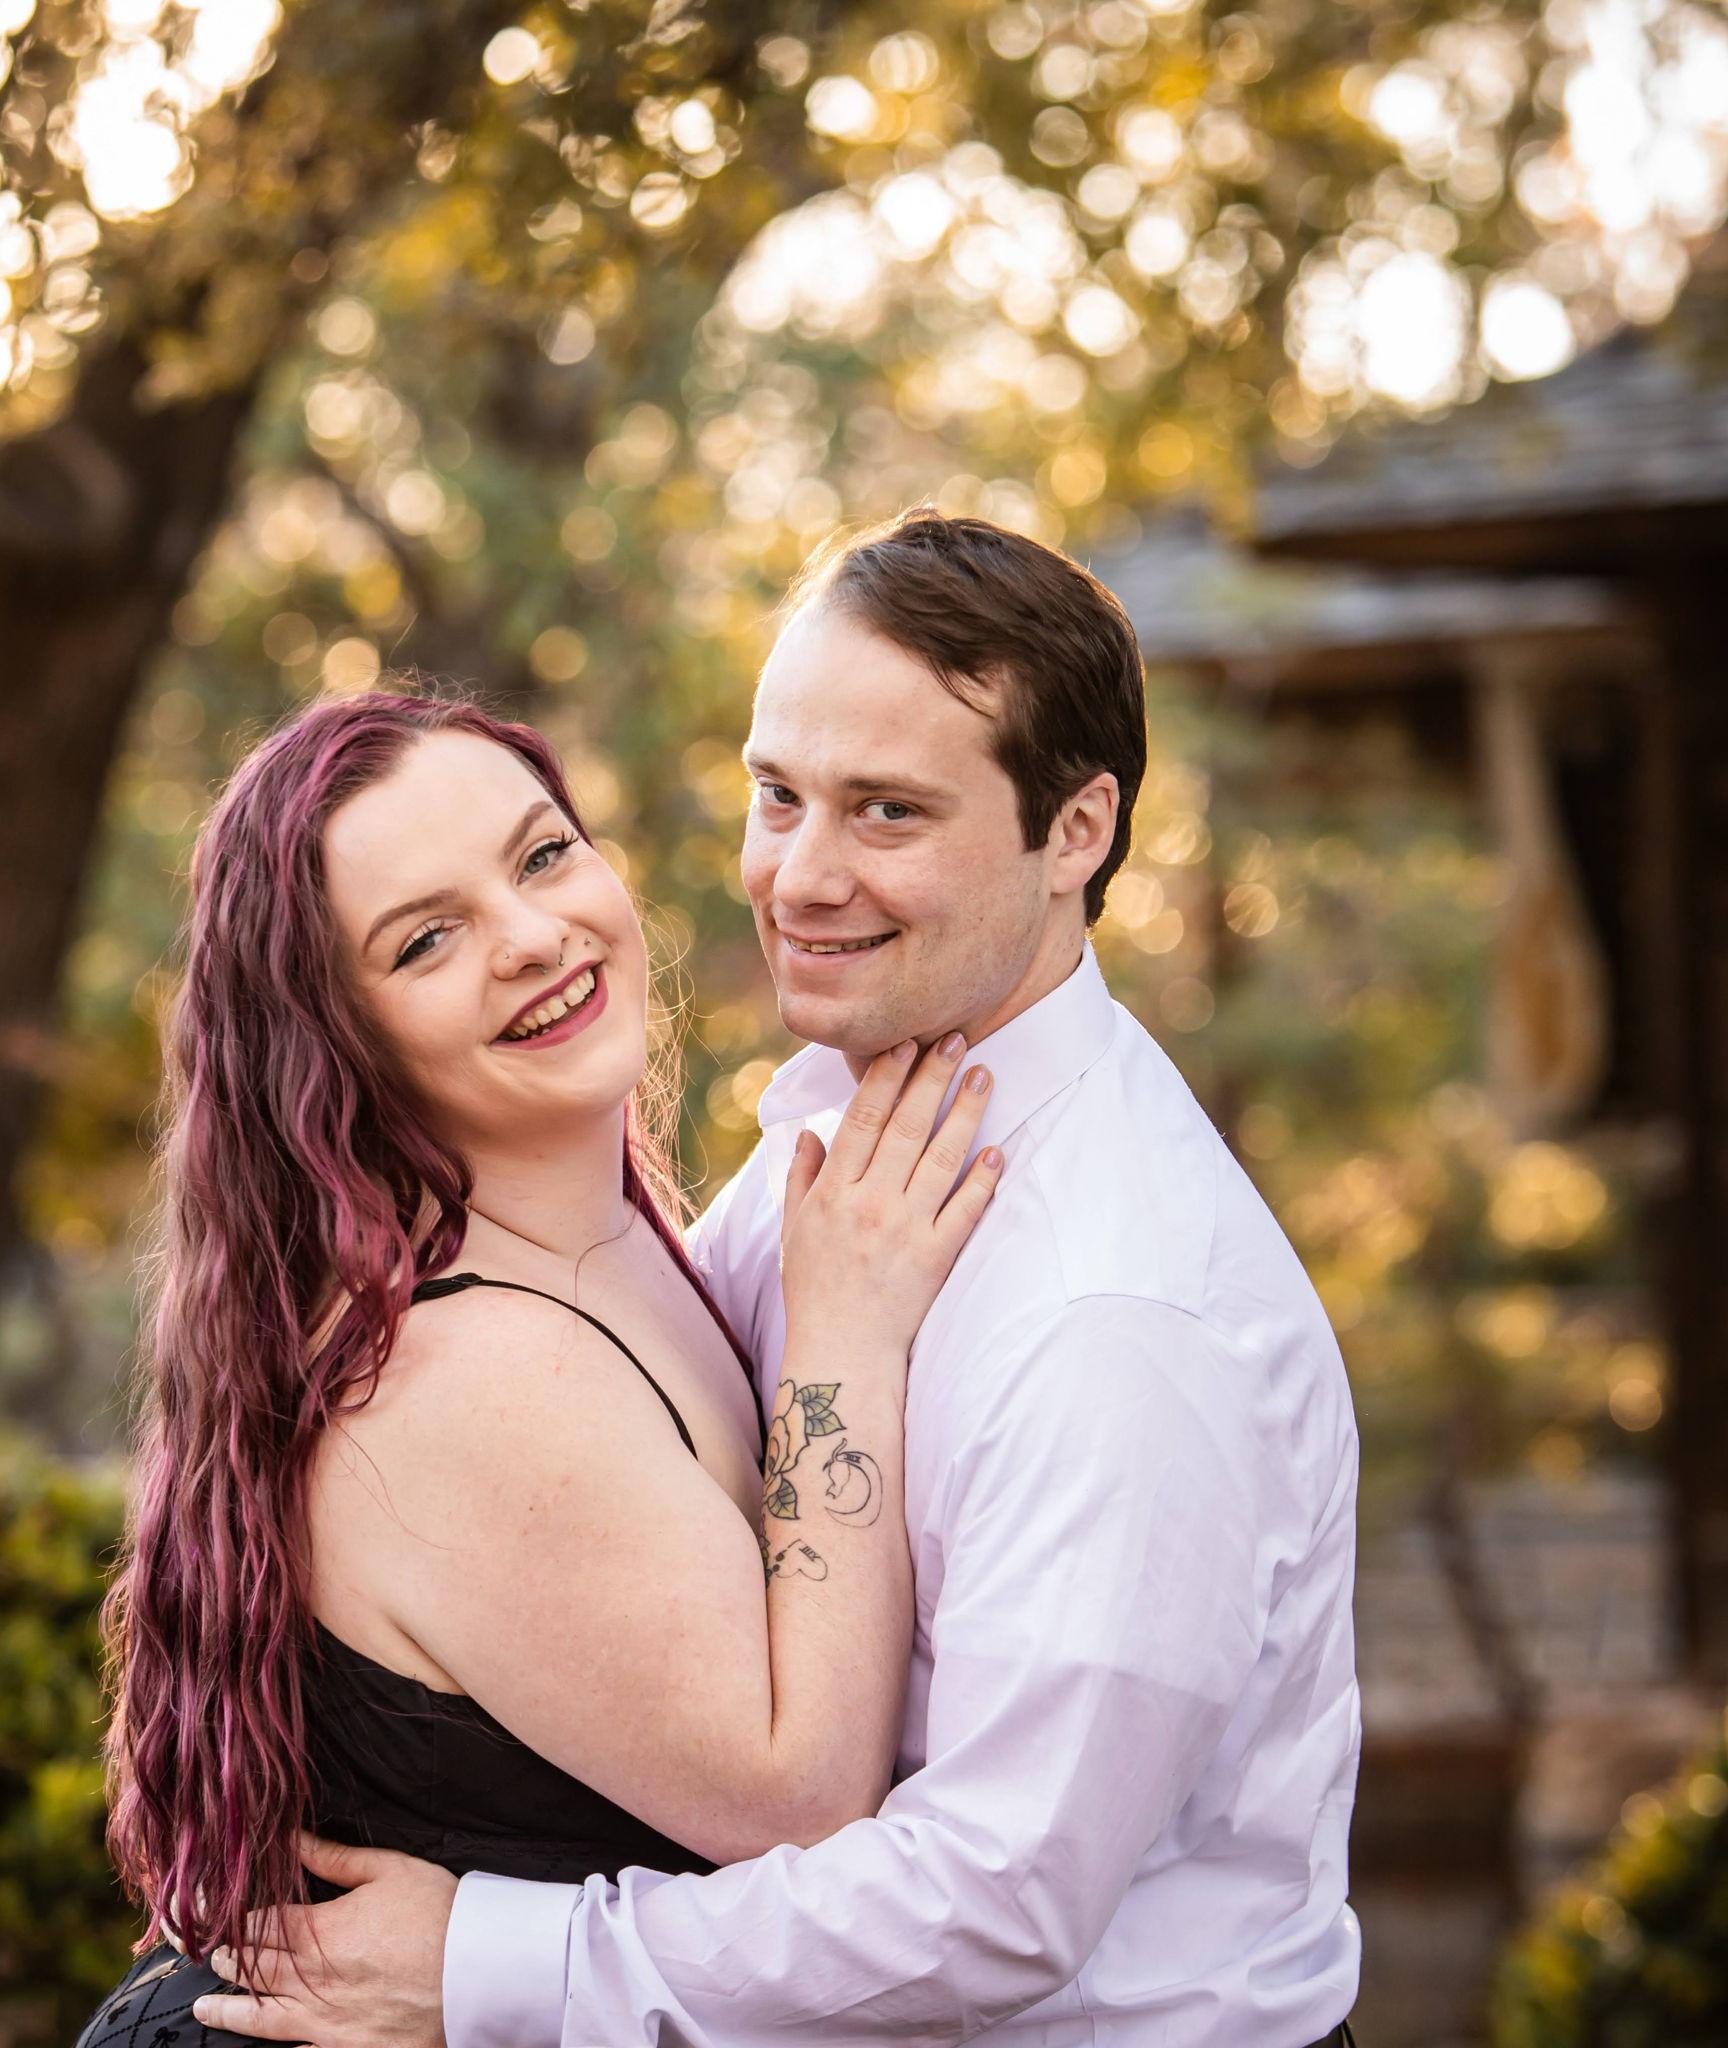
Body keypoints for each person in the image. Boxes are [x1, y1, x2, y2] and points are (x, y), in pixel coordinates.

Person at [191, 511, 1363, 2048]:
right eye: (777, 794)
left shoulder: (1114, 1317)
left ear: (1075, 832)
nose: (800, 876)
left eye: (886, 813)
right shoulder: (839, 1136)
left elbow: (997, 1898)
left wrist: (494, 1963)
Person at [76, 688, 1005, 2048]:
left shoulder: (616, 1239)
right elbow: (796, 1799)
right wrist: (847, 1339)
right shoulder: (470, 1374)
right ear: (342, 1041)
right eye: (428, 939)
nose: (531, 937)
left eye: (543, 855)